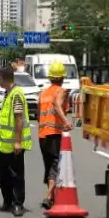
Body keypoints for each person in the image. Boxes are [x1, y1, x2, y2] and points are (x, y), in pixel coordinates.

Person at [0, 67, 32, 217]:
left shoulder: (16, 94)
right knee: (3, 175)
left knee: (16, 175)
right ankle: (7, 201)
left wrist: (18, 141)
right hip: (3, 144)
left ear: (2, 78)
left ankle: (17, 204)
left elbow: (19, 118)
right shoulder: (8, 93)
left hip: (13, 144)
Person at [37, 61, 72, 209]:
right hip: (54, 134)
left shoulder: (43, 93)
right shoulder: (61, 91)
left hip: (42, 135)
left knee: (48, 165)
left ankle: (51, 197)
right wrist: (66, 122)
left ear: (50, 77)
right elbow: (57, 106)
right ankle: (49, 196)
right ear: (62, 78)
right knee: (55, 164)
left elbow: (38, 114)